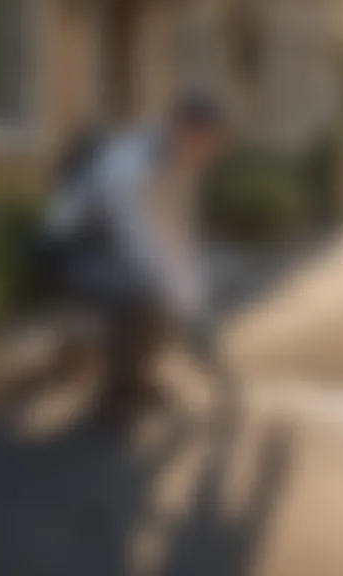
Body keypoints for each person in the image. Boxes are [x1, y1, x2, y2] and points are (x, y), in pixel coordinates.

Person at [42, 93, 227, 424]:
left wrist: (195, 298)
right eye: (205, 140)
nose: (208, 152)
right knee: (143, 294)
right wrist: (177, 295)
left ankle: (138, 377)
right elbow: (135, 235)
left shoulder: (179, 165)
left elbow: (179, 234)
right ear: (184, 129)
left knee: (162, 294)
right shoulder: (131, 162)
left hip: (114, 248)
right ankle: (115, 396)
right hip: (73, 247)